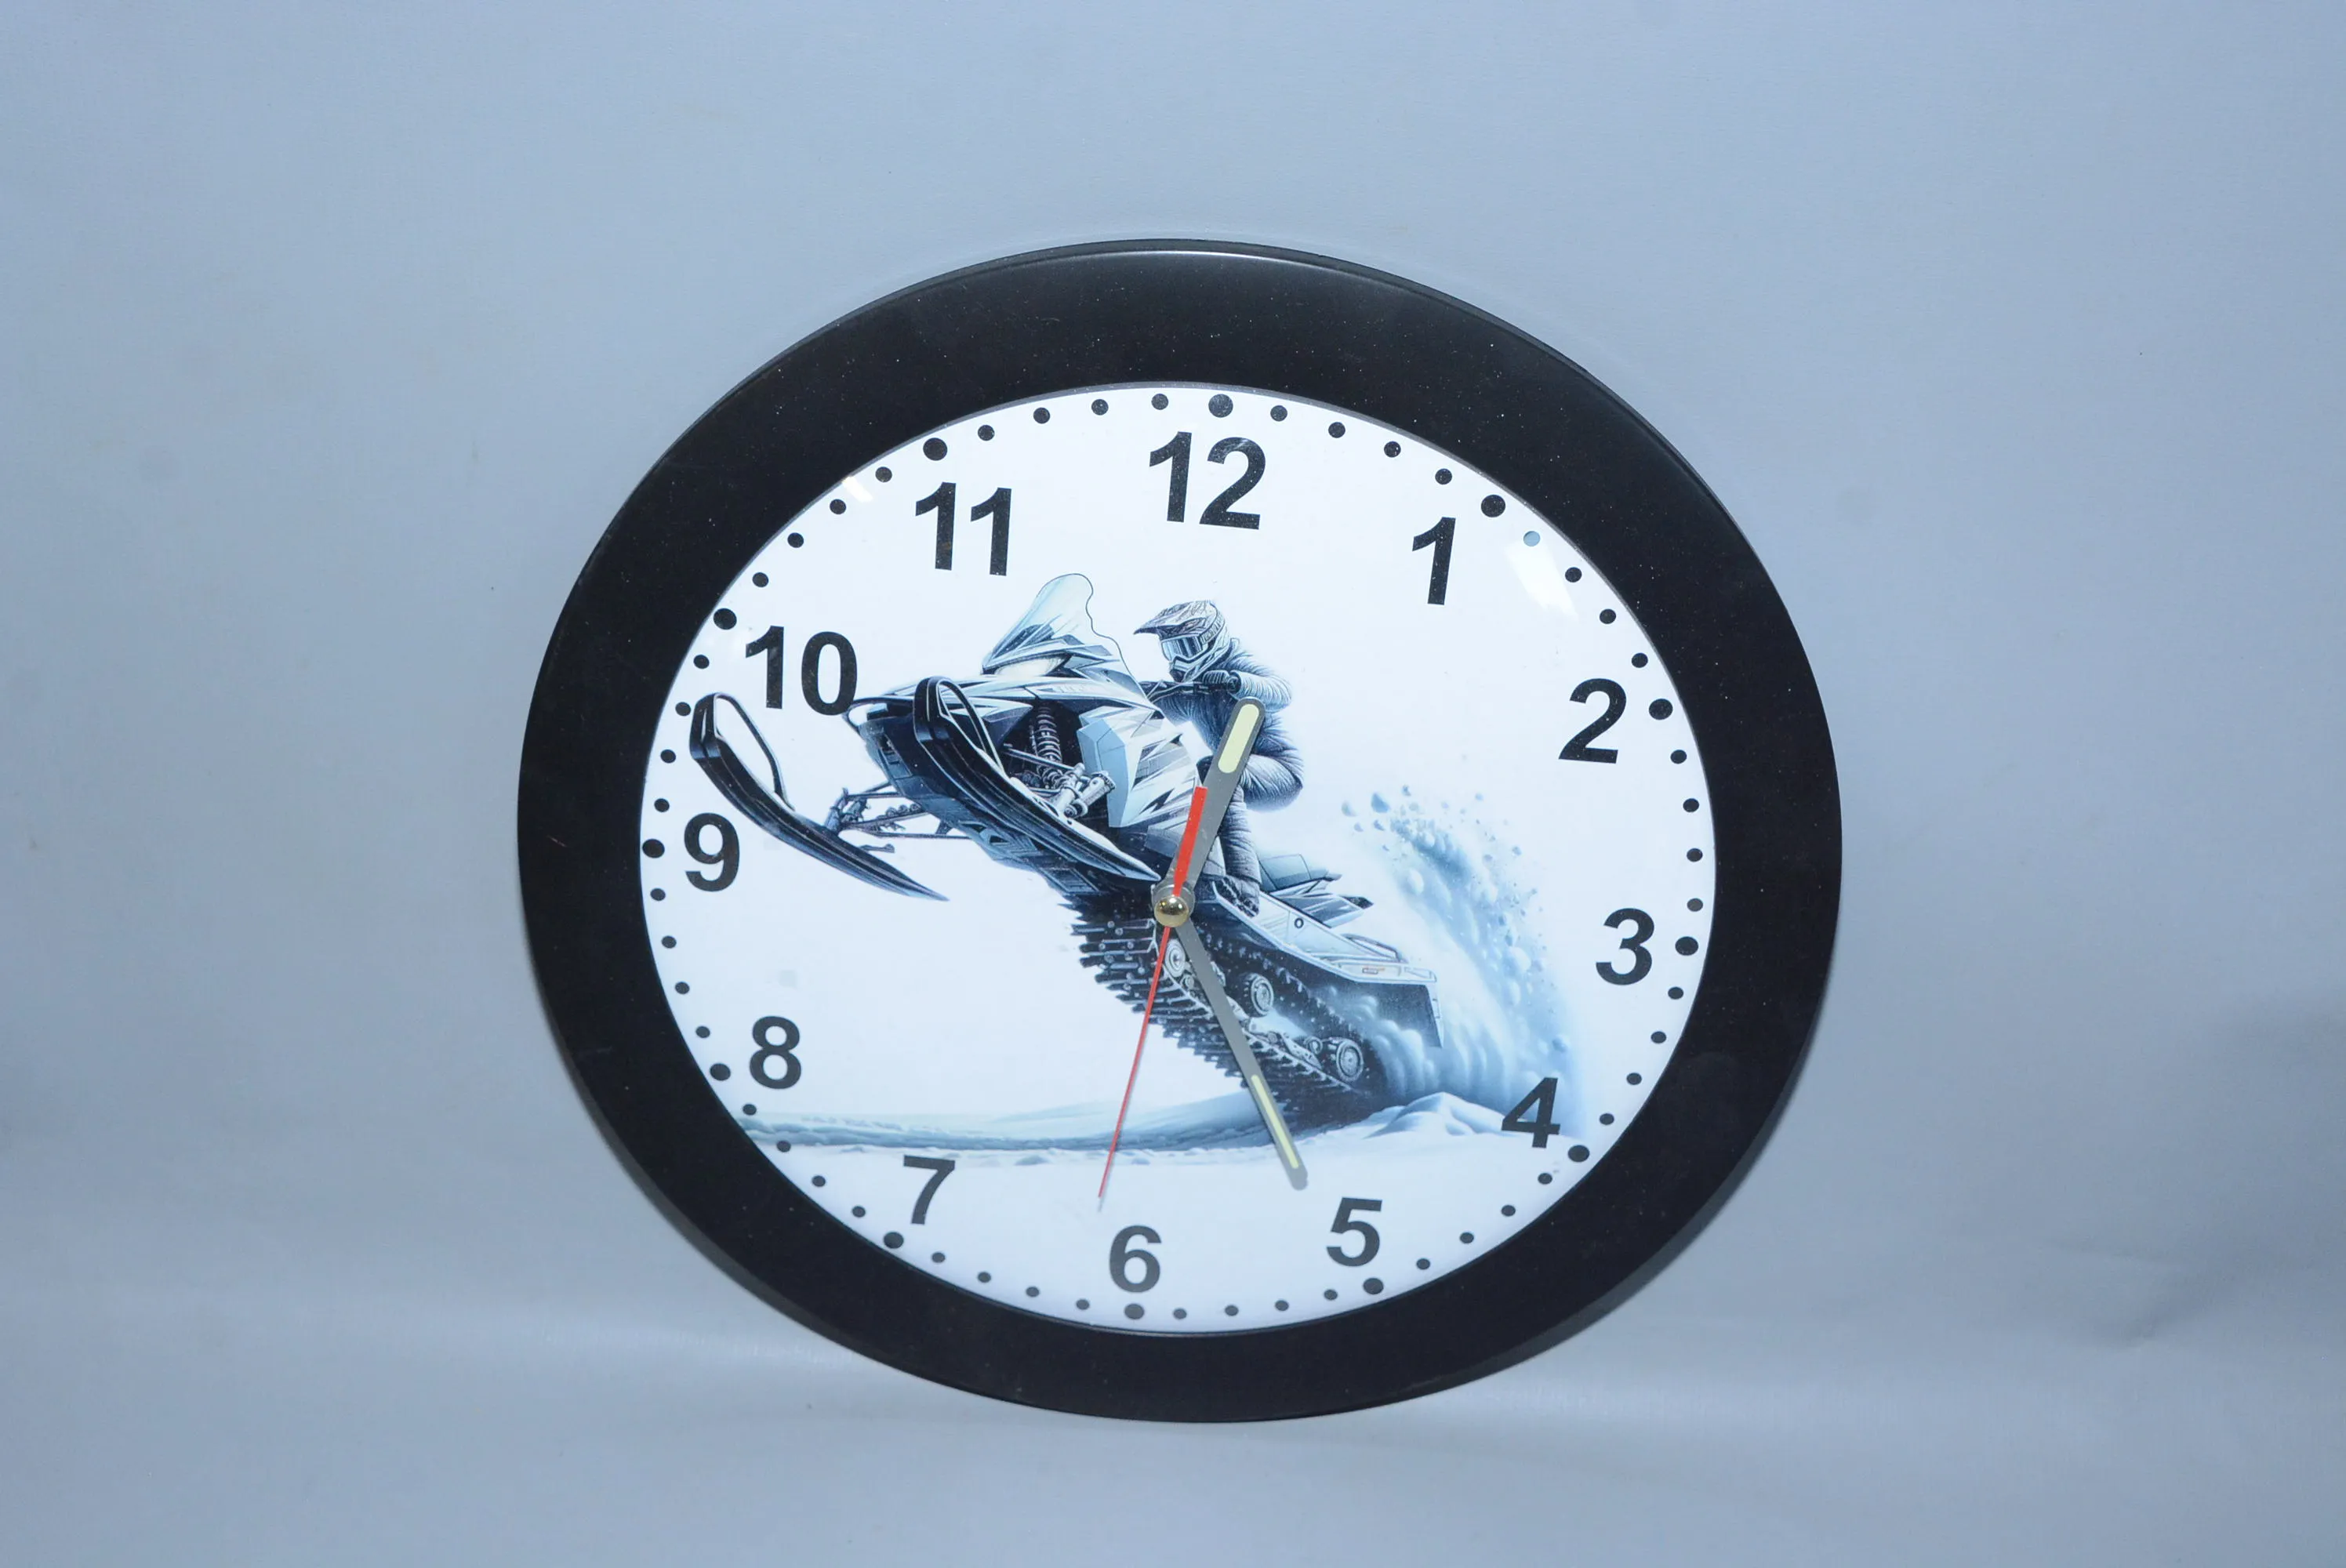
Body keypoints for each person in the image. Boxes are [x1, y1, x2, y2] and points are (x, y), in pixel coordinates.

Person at [1135, 601, 1302, 913]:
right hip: (1229, 766)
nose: (1178, 660)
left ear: (1213, 639)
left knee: (1217, 769)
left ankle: (1246, 887)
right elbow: (1153, 711)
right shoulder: (1194, 691)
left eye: (1187, 647)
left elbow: (1282, 692)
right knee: (1184, 768)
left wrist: (1235, 681)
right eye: (1171, 650)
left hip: (1279, 770)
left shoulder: (1237, 663)